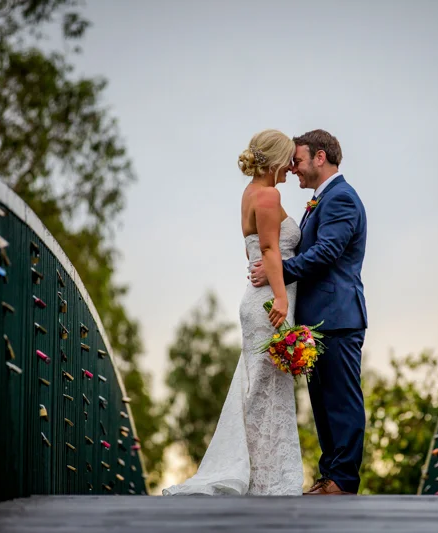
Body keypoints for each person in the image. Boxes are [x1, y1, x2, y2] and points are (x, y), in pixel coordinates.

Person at [162, 129, 303, 496]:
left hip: (258, 298)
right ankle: (266, 479)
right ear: (274, 160)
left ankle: (261, 475)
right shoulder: (269, 195)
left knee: (259, 389)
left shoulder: (250, 193)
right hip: (269, 303)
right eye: (288, 159)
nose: (291, 167)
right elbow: (269, 250)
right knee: (264, 391)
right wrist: (281, 298)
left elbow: (252, 249)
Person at [250, 129, 368, 496]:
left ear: (320, 157)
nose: (293, 168)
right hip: (319, 317)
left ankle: (343, 479)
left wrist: (279, 272)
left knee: (341, 400)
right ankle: (330, 475)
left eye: (298, 160)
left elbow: (327, 252)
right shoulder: (323, 199)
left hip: (338, 315)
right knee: (323, 403)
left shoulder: (341, 198)